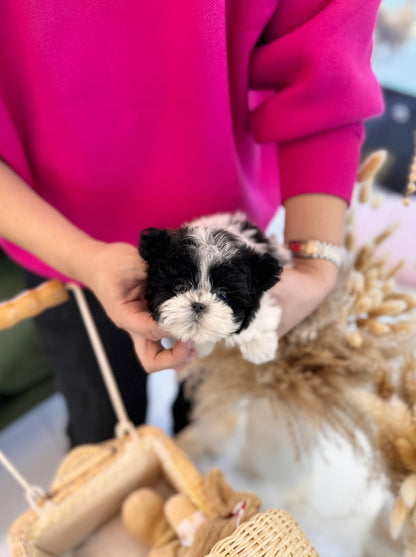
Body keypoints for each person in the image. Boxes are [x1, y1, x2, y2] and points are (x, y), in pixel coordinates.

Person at [0, 1, 384, 445]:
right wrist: (80, 257)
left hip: (231, 232)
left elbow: (327, 62)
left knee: (207, 422)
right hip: (55, 244)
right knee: (101, 431)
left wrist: (316, 262)